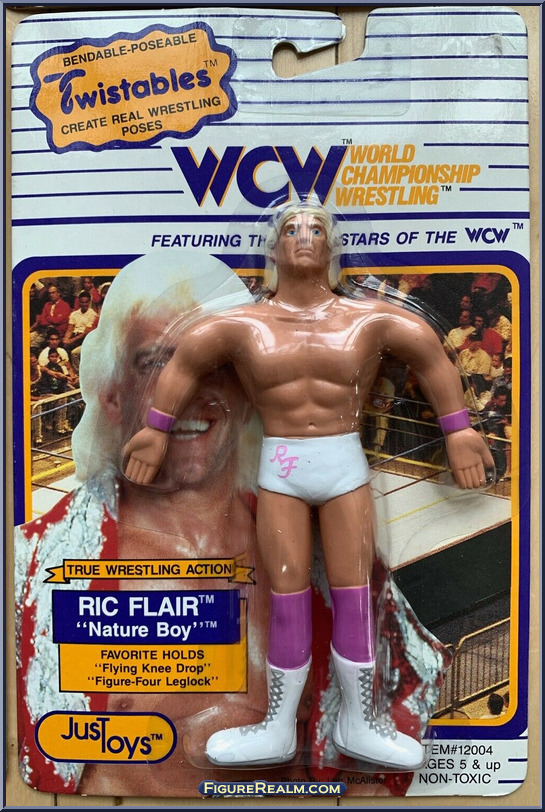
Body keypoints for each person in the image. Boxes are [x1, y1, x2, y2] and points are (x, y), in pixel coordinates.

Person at [124, 202, 494, 770]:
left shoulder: (366, 320)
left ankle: (361, 722)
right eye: (291, 228)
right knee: (288, 600)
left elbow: (428, 352)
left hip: (343, 467)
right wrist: (155, 429)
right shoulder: (244, 325)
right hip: (283, 469)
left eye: (315, 228)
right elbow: (186, 361)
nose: (303, 235)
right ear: (273, 247)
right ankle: (276, 726)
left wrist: (459, 430)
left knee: (354, 595)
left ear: (331, 245)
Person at [15, 252, 285, 796]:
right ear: (112, 395)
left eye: (216, 362)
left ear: (247, 393)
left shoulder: (324, 558)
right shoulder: (28, 567)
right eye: (156, 362)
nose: (185, 390)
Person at [63, 290, 99, 370]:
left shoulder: (92, 314)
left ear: (89, 302)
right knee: (63, 347)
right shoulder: (74, 314)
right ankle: (68, 370)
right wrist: (66, 339)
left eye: (86, 302)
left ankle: (76, 371)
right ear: (79, 302)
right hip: (74, 335)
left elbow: (86, 332)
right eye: (82, 302)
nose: (84, 304)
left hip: (83, 337)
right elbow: (70, 329)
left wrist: (71, 340)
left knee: (70, 349)